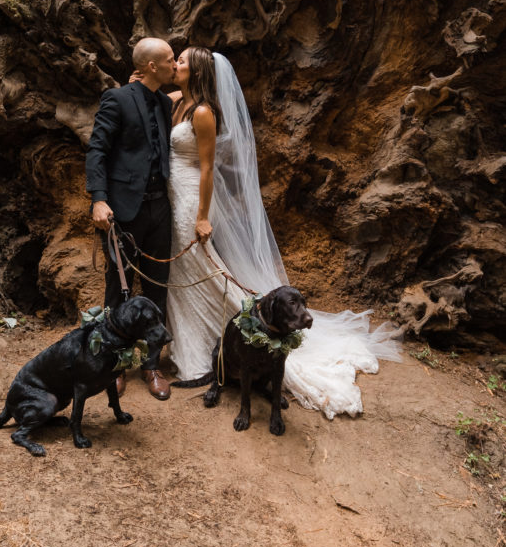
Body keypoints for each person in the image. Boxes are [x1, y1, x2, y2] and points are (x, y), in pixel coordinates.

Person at [165, 47, 401, 418]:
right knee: (184, 274)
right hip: (174, 192)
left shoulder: (204, 112)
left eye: (180, 61)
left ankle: (232, 342)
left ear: (195, 73)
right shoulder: (182, 100)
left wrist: (203, 216)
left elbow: (208, 169)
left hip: (191, 198)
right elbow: (162, 93)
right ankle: (191, 344)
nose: (173, 65)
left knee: (201, 272)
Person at [85, 37, 176, 400]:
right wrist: (98, 199)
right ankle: (114, 364)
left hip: (160, 209)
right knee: (118, 289)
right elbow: (98, 150)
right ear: (152, 67)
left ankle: (152, 365)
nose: (174, 65)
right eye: (170, 60)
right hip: (123, 209)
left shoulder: (166, 102)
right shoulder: (117, 98)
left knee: (158, 287)